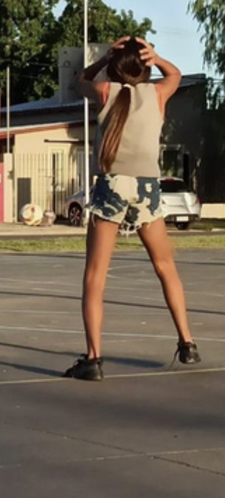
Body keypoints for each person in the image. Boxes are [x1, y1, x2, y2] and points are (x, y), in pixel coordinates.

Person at [64, 37, 200, 381]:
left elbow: (78, 81)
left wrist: (103, 60)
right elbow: (177, 75)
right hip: (147, 187)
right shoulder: (156, 94)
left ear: (114, 66)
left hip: (112, 185)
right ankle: (187, 342)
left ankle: (93, 359)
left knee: (95, 276)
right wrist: (157, 57)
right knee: (165, 266)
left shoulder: (105, 91)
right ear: (145, 65)